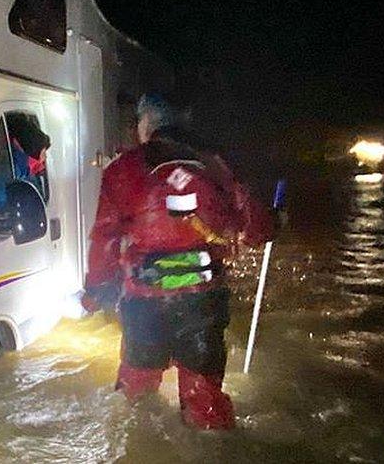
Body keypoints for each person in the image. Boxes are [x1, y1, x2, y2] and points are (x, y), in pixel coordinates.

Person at [82, 93, 272, 429]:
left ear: (145, 127)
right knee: (205, 406)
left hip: (144, 302)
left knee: (134, 398)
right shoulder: (214, 163)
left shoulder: (122, 170)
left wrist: (95, 289)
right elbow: (254, 228)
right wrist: (274, 222)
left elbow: (105, 238)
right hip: (202, 303)